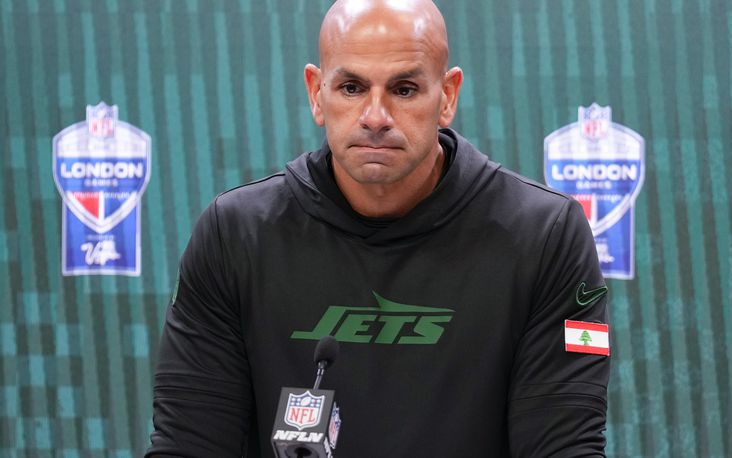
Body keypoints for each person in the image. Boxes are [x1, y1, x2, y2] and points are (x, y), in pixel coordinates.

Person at [146, 0, 610, 456]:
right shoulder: (237, 235)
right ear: (316, 93)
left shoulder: (544, 234)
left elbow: (563, 446)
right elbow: (189, 442)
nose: (375, 116)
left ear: (447, 96)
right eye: (351, 87)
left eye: (404, 89)